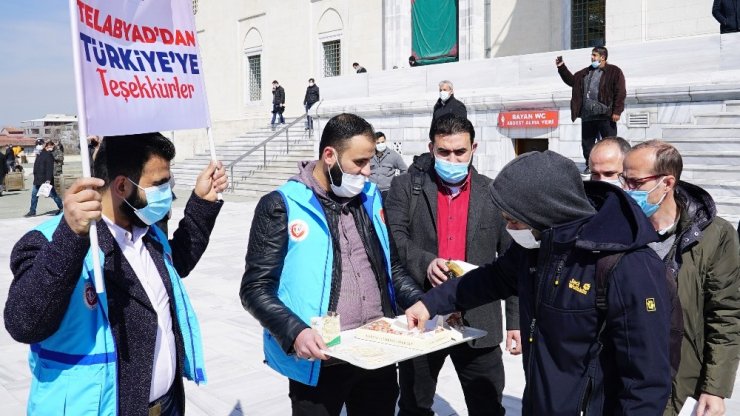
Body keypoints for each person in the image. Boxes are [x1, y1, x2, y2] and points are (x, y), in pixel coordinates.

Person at [405, 149, 673, 415]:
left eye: (513, 220)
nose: (509, 228)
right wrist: (430, 303)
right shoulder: (538, 246)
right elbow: (492, 278)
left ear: (543, 212)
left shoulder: (627, 265)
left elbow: (645, 381)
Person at [4, 133, 228, 416]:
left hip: (167, 405)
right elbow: (24, 323)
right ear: (122, 185)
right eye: (159, 184)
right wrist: (71, 237)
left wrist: (202, 204)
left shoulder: (148, 233)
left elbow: (176, 265)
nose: (168, 194)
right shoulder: (48, 241)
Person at [240, 113, 424, 416]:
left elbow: (392, 267)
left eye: (371, 162)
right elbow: (255, 289)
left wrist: (418, 301)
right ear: (330, 156)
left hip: (377, 350)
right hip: (321, 358)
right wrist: (295, 332)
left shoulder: (371, 198)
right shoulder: (282, 204)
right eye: (360, 162)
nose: (368, 172)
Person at [386, 114, 519, 416]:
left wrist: (515, 320)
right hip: (421, 317)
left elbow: (514, 258)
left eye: (460, 152)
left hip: (478, 320)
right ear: (431, 148)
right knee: (413, 405)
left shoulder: (494, 193)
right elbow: (395, 239)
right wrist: (425, 263)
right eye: (444, 152)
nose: (452, 159)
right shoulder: (405, 187)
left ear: (474, 147)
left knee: (487, 406)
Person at [620, 140, 740, 416]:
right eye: (623, 180)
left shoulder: (715, 235)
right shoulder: (619, 230)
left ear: (667, 182)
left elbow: (726, 314)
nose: (626, 191)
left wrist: (715, 388)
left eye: (635, 182)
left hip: (683, 382)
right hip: (627, 382)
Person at [557, 46, 626, 171]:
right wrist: (561, 67)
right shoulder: (586, 72)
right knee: (587, 145)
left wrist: (617, 111)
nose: (592, 57)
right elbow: (572, 81)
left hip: (606, 114)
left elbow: (620, 91)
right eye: (592, 55)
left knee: (610, 143)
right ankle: (590, 166)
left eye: (594, 55)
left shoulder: (614, 71)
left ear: (603, 57)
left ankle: (613, 165)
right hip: (587, 116)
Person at [24, 141, 63, 217]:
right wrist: (34, 173)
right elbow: (36, 166)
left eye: (52, 146)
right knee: (34, 195)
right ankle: (32, 211)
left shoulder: (49, 155)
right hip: (38, 179)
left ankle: (62, 207)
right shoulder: (39, 154)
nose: (51, 148)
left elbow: (49, 168)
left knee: (53, 195)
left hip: (45, 180)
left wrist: (48, 179)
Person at [368, 131, 407, 198]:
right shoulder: (369, 155)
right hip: (372, 191)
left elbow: (404, 170)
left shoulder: (393, 155)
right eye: (378, 143)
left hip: (387, 191)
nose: (380, 144)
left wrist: (397, 183)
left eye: (382, 142)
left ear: (385, 141)